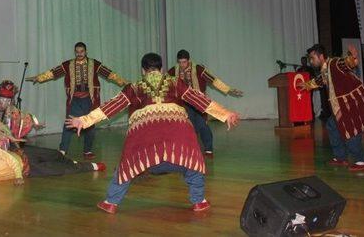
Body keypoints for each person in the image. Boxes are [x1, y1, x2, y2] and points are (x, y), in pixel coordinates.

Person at [66, 53, 240, 214]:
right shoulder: (175, 83)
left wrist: (84, 120)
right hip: (178, 149)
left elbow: (110, 107)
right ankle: (199, 201)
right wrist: (226, 114)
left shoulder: (134, 87)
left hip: (146, 151)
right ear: (162, 69)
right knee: (194, 165)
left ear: (143, 71)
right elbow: (200, 100)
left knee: (126, 167)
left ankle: (111, 202)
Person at [27, 42, 128, 159]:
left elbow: (109, 74)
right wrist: (38, 78)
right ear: (75, 52)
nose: (79, 54)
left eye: (82, 51)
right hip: (74, 99)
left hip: (90, 99)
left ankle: (87, 150)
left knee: (90, 124)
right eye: (77, 52)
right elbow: (53, 72)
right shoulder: (68, 65)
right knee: (69, 124)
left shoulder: (93, 64)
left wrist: (123, 81)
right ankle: (63, 150)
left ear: (86, 52)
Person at [300, 44, 364, 171]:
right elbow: (320, 81)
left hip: (352, 102)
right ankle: (340, 157)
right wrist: (306, 85)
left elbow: (346, 63)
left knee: (350, 129)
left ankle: (361, 161)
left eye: (312, 58)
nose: (311, 61)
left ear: (321, 56)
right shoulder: (325, 69)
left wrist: (353, 58)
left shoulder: (334, 63)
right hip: (342, 105)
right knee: (332, 125)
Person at [167, 49, 242, 157]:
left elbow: (213, 80)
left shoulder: (198, 69)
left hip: (199, 102)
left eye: (184, 62)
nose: (182, 65)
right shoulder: (173, 71)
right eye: (180, 62)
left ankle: (208, 149)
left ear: (189, 60)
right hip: (184, 104)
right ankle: (187, 151)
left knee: (202, 125)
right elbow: (165, 83)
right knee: (187, 126)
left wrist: (228, 89)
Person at [0, 145, 106, 191]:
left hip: (24, 156)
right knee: (58, 170)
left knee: (54, 154)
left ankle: (69, 161)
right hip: (30, 170)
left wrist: (19, 177)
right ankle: (92, 166)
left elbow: (13, 161)